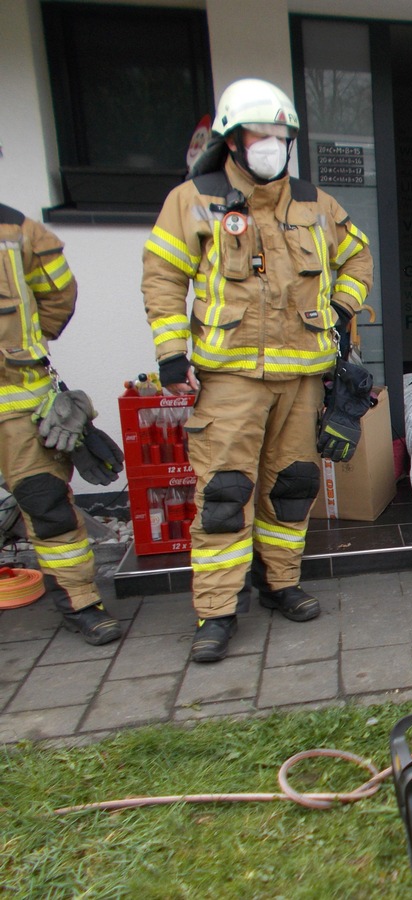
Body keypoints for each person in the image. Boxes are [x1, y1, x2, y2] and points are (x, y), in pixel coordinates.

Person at [141, 78, 373, 663]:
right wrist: (171, 351)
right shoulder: (193, 199)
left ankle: (281, 583)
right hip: (230, 381)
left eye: (282, 135)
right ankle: (216, 612)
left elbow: (358, 255)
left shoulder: (317, 204)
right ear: (233, 139)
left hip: (301, 379)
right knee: (224, 494)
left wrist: (343, 306)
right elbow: (163, 275)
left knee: (291, 488)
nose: (273, 144)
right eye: (260, 134)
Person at [0, 204, 122, 644]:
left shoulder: (18, 230)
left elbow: (57, 296)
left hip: (19, 396)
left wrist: (22, 348)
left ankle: (82, 603)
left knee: (46, 502)